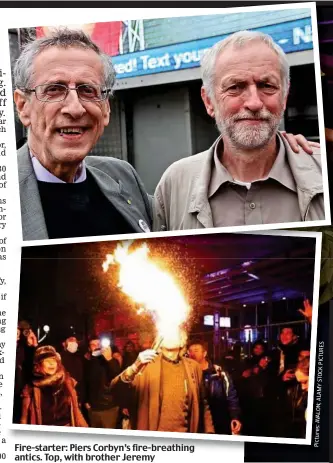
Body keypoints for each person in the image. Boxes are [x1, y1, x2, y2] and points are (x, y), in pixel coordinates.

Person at [153, 30, 324, 231]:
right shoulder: (174, 184)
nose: (254, 103)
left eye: (267, 85)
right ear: (208, 101)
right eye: (235, 87)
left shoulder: (322, 171)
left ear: (284, 97)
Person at [14, 28, 152, 241]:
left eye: (88, 90)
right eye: (54, 89)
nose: (75, 108)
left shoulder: (123, 176)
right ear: (23, 107)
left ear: (105, 109)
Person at [110, 332, 214, 433]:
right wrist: (134, 367)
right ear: (159, 341)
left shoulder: (193, 367)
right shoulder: (146, 366)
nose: (170, 332)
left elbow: (203, 404)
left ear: (182, 341)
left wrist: (209, 432)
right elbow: (116, 393)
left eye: (175, 331)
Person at [20, 345, 87, 427]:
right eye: (47, 361)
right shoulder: (32, 387)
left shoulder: (67, 382)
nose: (51, 363)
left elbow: (76, 410)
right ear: (39, 365)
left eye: (54, 360)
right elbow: (24, 417)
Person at [188, 341, 241, 435]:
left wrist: (235, 417)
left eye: (196, 350)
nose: (192, 354)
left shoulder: (218, 372)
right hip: (197, 422)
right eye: (190, 351)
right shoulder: (188, 374)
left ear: (204, 353)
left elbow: (231, 395)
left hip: (219, 421)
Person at [83, 336, 121, 428]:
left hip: (109, 407)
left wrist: (109, 360)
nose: (97, 346)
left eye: (98, 344)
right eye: (93, 345)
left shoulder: (110, 360)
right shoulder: (88, 363)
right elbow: (86, 382)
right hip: (93, 408)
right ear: (89, 348)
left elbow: (117, 377)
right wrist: (86, 400)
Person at [60, 336, 85, 404]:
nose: (74, 343)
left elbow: (82, 379)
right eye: (71, 341)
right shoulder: (59, 359)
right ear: (64, 343)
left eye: (75, 342)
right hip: (64, 397)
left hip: (78, 396)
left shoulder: (79, 358)